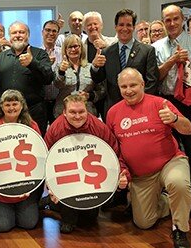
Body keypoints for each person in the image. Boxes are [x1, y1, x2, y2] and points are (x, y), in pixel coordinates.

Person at [107, 67, 191, 248]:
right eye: (124, 86)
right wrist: (123, 171)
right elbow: (115, 150)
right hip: (142, 175)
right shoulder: (113, 113)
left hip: (170, 162)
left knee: (178, 183)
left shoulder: (160, 104)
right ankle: (166, 201)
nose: (128, 90)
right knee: (144, 223)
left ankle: (180, 230)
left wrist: (175, 119)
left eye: (133, 85)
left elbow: (188, 129)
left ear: (143, 85)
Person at [152, 5, 191, 218]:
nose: (171, 23)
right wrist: (172, 61)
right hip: (166, 102)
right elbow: (156, 78)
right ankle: (169, 195)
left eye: (175, 19)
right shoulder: (157, 47)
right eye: (167, 20)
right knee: (168, 151)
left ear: (182, 19)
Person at [43, 94, 129, 233]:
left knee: (89, 219)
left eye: (81, 112)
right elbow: (47, 160)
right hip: (67, 176)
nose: (77, 116)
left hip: (91, 174)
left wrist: (121, 175)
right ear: (64, 113)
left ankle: (51, 203)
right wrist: (51, 188)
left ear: (87, 111)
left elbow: (114, 153)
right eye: (72, 112)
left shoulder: (99, 127)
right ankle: (56, 206)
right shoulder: (55, 128)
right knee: (68, 226)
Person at [0, 90, 42, 232]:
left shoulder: (31, 125)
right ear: (1, 106)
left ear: (22, 105)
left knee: (28, 224)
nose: (11, 108)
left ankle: (40, 203)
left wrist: (30, 187)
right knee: (3, 226)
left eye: (15, 103)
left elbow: (39, 155)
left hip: (25, 189)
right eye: (7, 104)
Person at [0, 21, 54, 134]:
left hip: (34, 111)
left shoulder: (39, 54)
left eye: (21, 32)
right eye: (14, 33)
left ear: (28, 35)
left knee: (36, 145)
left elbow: (48, 78)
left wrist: (32, 63)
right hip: (8, 113)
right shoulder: (1, 57)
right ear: (10, 36)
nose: (18, 35)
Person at [90, 8, 159, 121]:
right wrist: (95, 66)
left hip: (140, 109)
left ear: (133, 27)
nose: (125, 28)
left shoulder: (147, 51)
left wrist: (137, 100)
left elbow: (152, 81)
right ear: (115, 27)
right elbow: (98, 79)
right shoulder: (106, 52)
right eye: (121, 25)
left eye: (128, 25)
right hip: (113, 108)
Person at [53, 35, 97, 117]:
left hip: (87, 112)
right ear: (65, 50)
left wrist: (90, 96)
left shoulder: (90, 67)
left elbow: (101, 89)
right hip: (63, 113)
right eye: (69, 47)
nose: (73, 49)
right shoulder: (59, 67)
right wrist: (61, 72)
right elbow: (57, 85)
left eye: (76, 46)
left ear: (81, 48)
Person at [41, 20, 61, 127]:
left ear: (58, 34)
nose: (51, 33)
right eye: (48, 30)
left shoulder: (64, 52)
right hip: (41, 102)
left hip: (59, 102)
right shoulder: (36, 53)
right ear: (42, 32)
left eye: (54, 31)